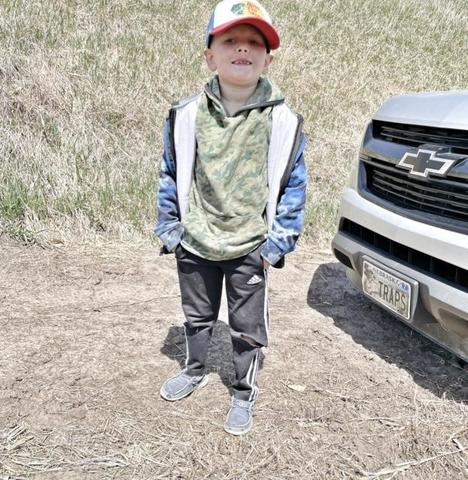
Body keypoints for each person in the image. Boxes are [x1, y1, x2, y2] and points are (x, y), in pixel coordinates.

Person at [155, 0, 307, 436]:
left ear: (268, 59)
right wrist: (171, 229)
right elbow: (170, 172)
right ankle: (194, 369)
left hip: (250, 247)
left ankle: (243, 391)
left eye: (255, 43)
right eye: (231, 40)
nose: (243, 48)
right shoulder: (185, 115)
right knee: (197, 315)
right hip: (195, 241)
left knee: (246, 327)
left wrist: (276, 245)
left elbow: (294, 185)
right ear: (210, 56)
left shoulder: (283, 121)